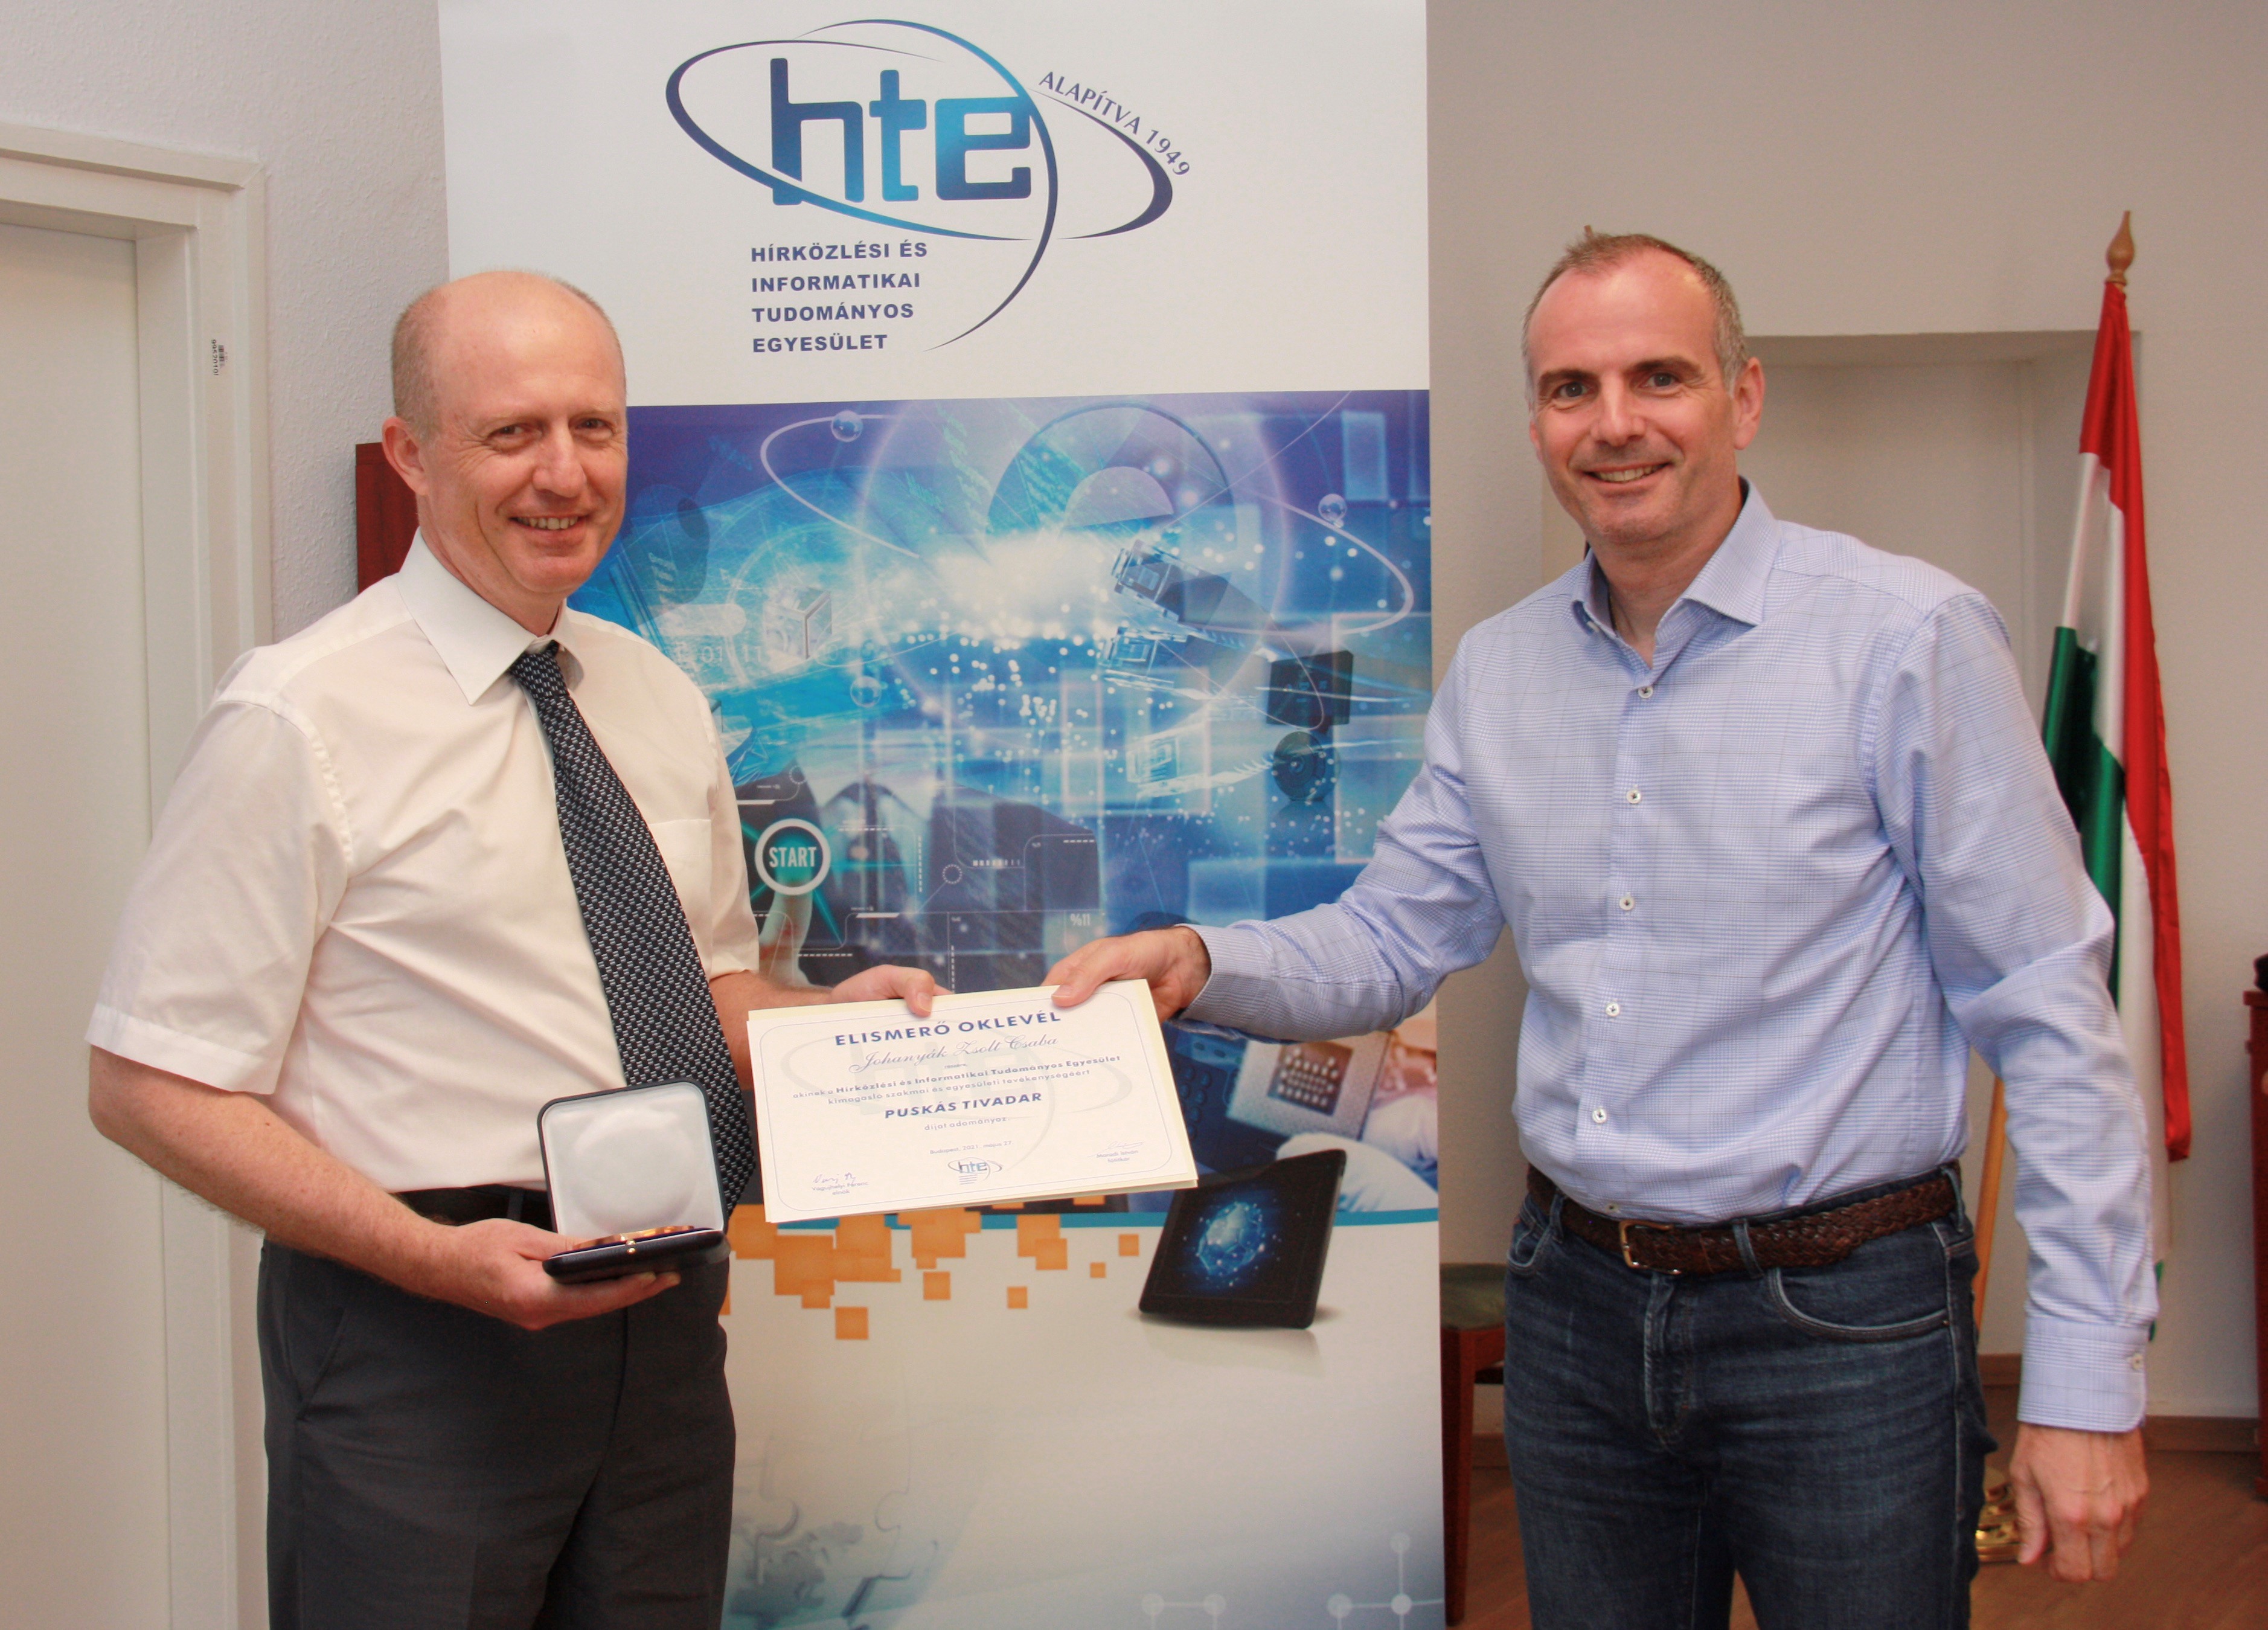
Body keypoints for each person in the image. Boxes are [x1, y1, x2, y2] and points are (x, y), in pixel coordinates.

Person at [1048, 231, 2154, 1627]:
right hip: (1576, 1317)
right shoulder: (1501, 671)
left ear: (1744, 397)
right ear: (1537, 423)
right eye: (1572, 388)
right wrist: (1202, 962)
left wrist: (2088, 1385)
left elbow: (2050, 1011)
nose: (1615, 422)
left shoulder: (1906, 639)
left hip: (1845, 1328)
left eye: (1659, 377)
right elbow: (1390, 938)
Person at [86, 269, 939, 1629]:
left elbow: (708, 988)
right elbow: (150, 1084)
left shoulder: (656, 696)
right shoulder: (299, 717)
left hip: (664, 1323)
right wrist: (433, 1263)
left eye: (594, 428)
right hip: (420, 1332)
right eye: (512, 433)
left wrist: (831, 1028)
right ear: (410, 454)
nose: (565, 473)